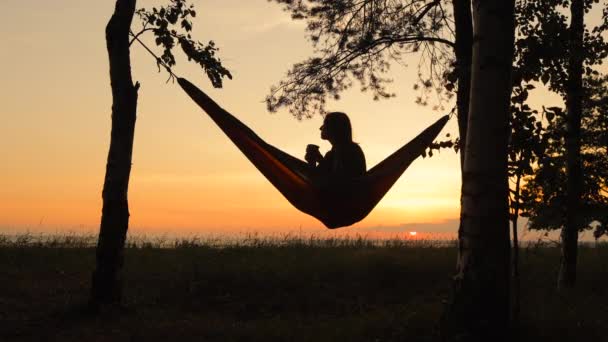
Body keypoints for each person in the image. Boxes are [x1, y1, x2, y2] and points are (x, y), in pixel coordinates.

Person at [305, 112, 366, 184]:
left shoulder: (346, 152)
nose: (320, 128)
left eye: (325, 124)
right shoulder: (351, 149)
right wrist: (317, 160)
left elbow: (332, 182)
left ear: (333, 128)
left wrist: (313, 161)